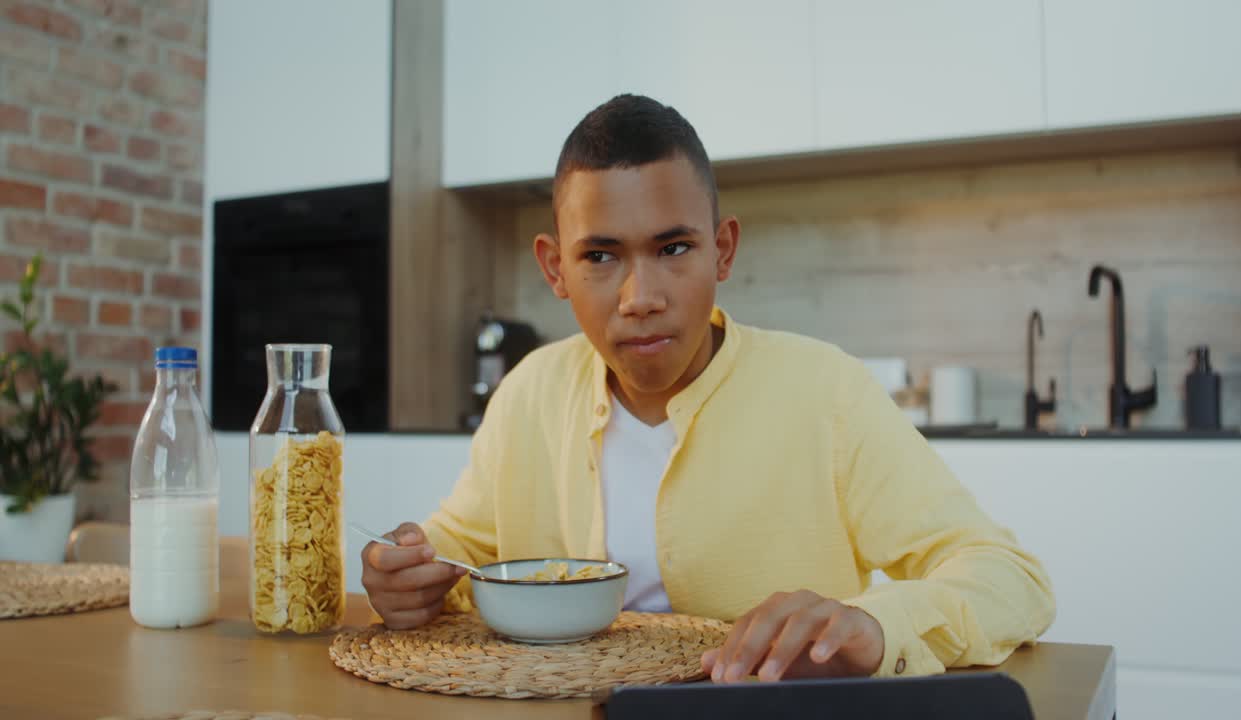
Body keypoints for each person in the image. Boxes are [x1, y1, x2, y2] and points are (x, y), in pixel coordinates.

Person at [360, 94, 1054, 683]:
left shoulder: (825, 392)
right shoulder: (531, 390)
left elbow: (1008, 578)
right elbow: (464, 544)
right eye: (600, 256)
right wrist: (412, 572)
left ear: (722, 250)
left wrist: (873, 625)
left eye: (673, 249)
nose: (640, 297)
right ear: (555, 268)